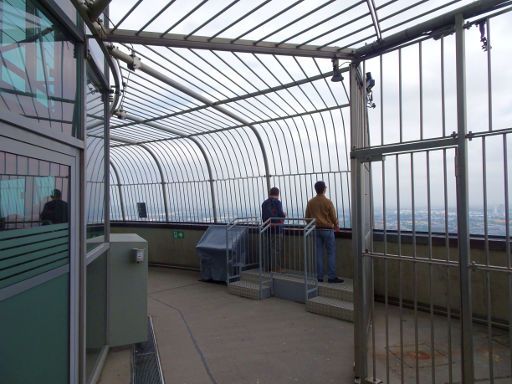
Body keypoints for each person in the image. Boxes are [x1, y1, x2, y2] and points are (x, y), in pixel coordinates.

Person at [305, 181, 343, 283]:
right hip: (327, 230)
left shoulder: (310, 202)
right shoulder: (328, 202)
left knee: (318, 254)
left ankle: (319, 277)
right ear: (324, 189)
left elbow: (307, 218)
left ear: (315, 189)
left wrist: (313, 224)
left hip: (316, 230)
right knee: (331, 253)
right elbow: (333, 217)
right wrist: (336, 225)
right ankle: (331, 277)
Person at [261, 187, 286, 272]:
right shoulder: (277, 202)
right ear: (278, 194)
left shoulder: (264, 203)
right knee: (276, 249)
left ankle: (267, 268)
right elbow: (280, 215)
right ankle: (276, 268)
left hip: (266, 229)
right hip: (277, 229)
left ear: (269, 193)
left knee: (267, 249)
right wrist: (284, 214)